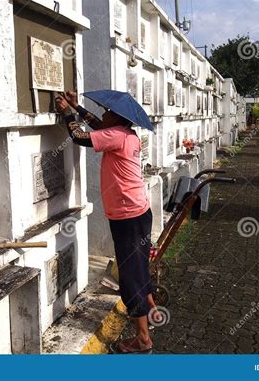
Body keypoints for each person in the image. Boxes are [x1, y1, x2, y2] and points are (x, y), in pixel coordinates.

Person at [55, 91, 158, 354]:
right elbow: (98, 126)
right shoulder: (126, 135)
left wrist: (67, 112)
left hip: (128, 217)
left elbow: (79, 136)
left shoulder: (116, 136)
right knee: (138, 268)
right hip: (138, 212)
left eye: (108, 111)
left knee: (130, 278)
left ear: (118, 117)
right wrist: (77, 106)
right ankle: (152, 311)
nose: (103, 113)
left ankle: (143, 340)